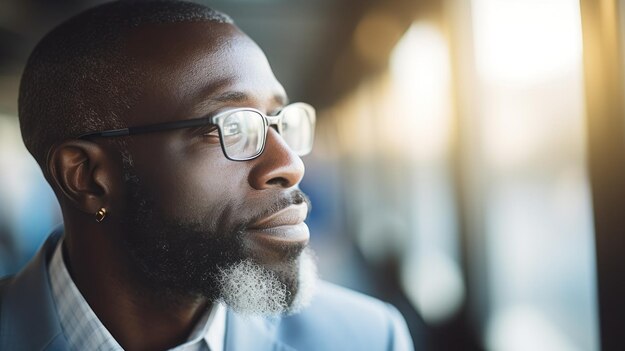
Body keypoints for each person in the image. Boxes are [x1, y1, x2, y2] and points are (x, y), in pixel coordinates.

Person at [0, 1, 415, 350]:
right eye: (232, 127)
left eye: (277, 122)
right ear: (88, 177)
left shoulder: (370, 337)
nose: (290, 165)